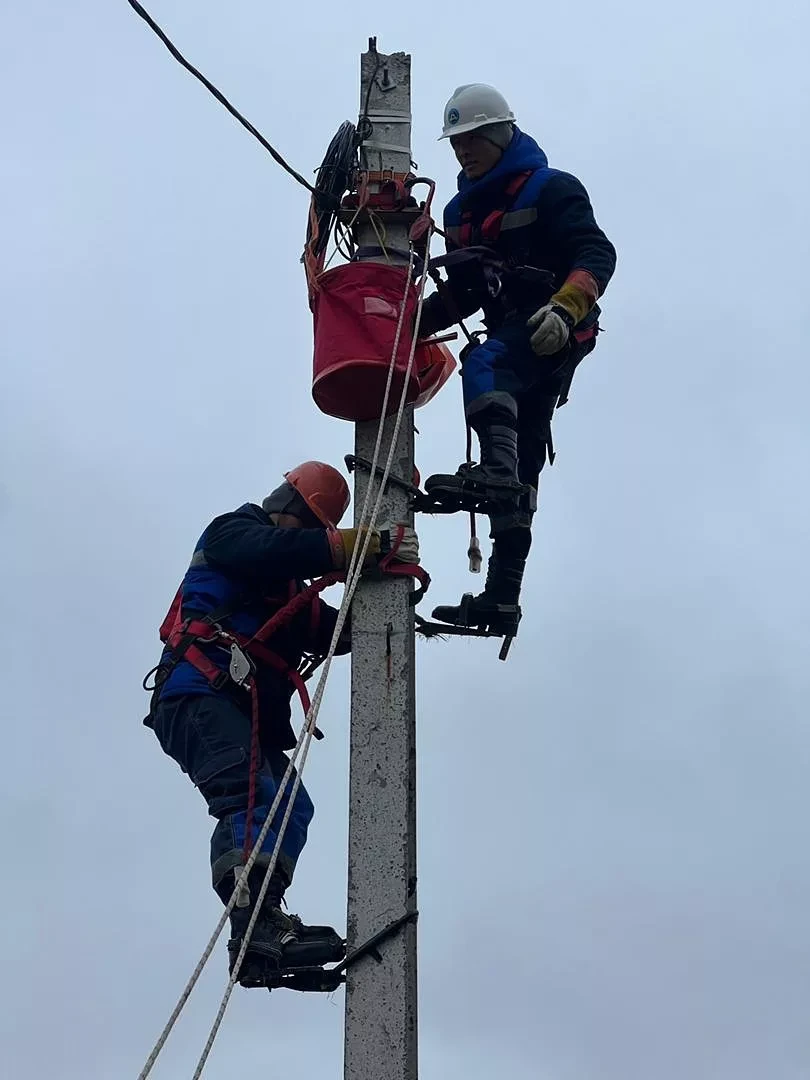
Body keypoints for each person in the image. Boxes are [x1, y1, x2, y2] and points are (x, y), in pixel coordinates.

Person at [144, 461, 419, 986]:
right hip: (196, 696)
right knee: (251, 795)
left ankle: (264, 927)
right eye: (315, 530)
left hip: (234, 711)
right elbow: (270, 552)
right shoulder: (233, 533)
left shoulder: (289, 589)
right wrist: (355, 545)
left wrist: (395, 607)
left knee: (290, 804)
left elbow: (336, 632)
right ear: (291, 511)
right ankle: (253, 929)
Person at [419, 83, 617, 638]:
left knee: (486, 365)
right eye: (457, 142)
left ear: (504, 132)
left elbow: (596, 253)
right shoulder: (460, 213)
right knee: (525, 456)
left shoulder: (551, 189)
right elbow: (462, 295)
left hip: (555, 323)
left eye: (475, 137)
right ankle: (502, 597)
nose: (464, 150)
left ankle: (496, 474)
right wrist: (406, 328)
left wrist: (568, 306)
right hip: (513, 325)